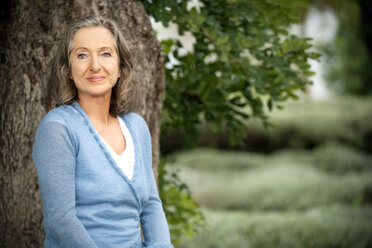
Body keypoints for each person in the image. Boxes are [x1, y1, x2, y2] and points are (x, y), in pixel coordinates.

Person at [32, 16, 173, 248]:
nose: (95, 65)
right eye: (82, 55)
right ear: (68, 70)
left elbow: (150, 205)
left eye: (106, 54)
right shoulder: (58, 128)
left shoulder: (136, 126)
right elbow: (61, 220)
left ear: (120, 68)